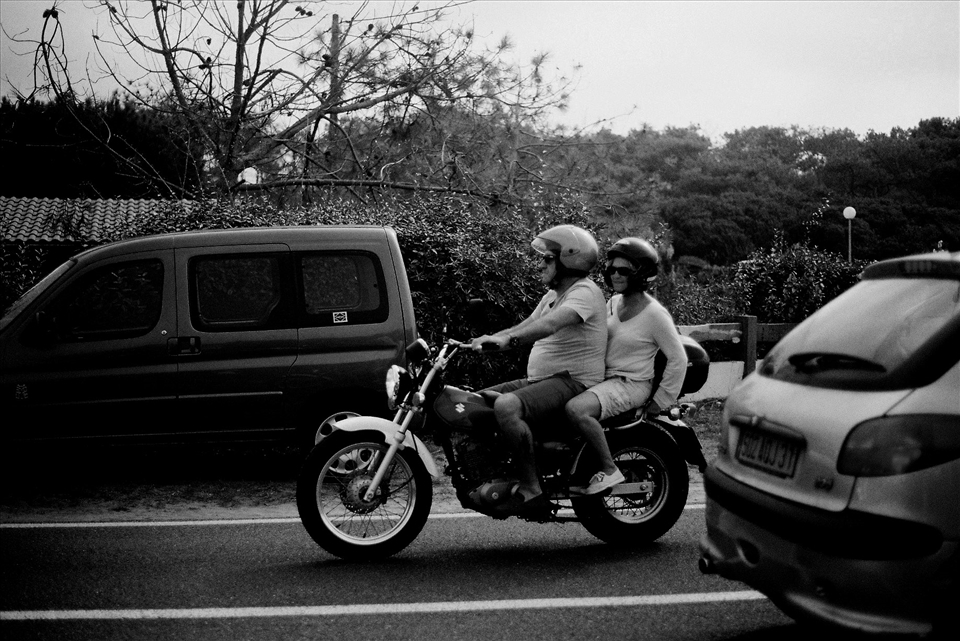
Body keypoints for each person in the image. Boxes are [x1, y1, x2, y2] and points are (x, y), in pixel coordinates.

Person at [471, 225, 607, 513]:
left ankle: (532, 489)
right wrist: (490, 339)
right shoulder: (553, 295)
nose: (540, 264)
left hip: (573, 381)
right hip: (544, 379)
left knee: (507, 406)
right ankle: (497, 474)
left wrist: (508, 339)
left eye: (547, 258)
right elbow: (524, 327)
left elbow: (550, 325)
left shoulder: (584, 292)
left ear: (568, 259)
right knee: (474, 403)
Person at [566, 237, 688, 495]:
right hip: (602, 379)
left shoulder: (655, 315)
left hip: (630, 384)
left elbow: (678, 359)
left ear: (641, 274)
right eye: (611, 270)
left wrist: (660, 401)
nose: (616, 275)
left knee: (577, 410)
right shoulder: (611, 303)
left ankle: (609, 470)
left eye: (624, 270)